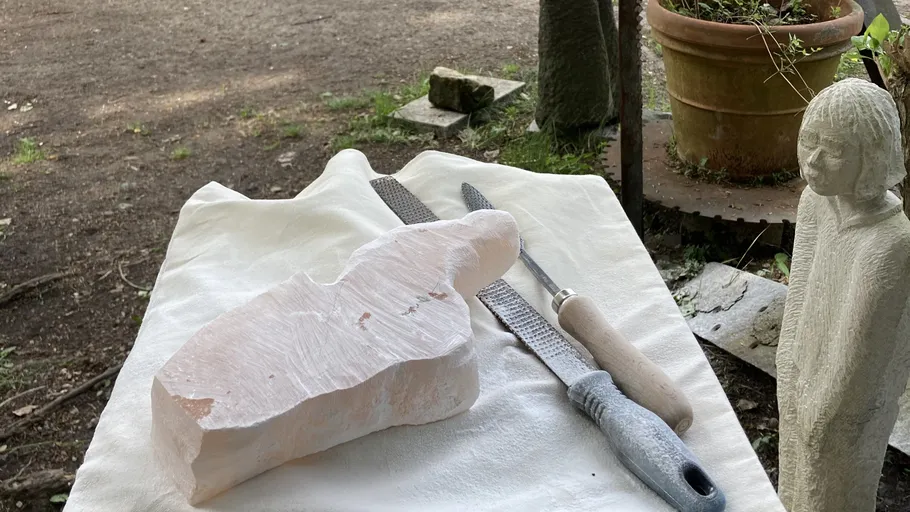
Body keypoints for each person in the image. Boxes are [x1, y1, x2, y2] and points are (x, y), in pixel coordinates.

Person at [776, 78, 910, 512]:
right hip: (801, 375)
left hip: (849, 403)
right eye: (809, 141)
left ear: (871, 158)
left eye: (833, 149)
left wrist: (825, 409)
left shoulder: (890, 241)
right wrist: (786, 370)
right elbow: (798, 297)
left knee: (831, 489)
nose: (813, 160)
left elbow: (862, 348)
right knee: (793, 481)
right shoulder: (815, 203)